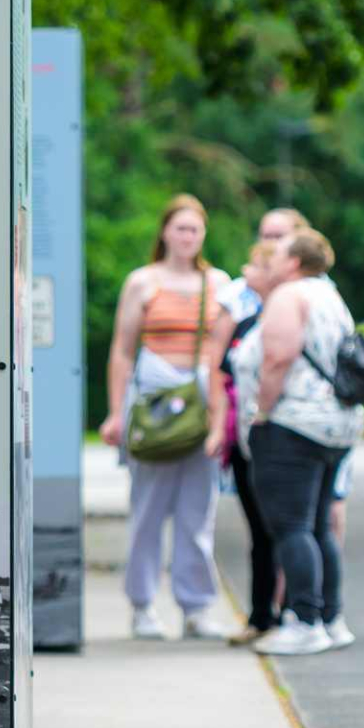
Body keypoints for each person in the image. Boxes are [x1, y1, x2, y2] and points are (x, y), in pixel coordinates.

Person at [99, 194, 235, 642]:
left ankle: (196, 608)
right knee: (147, 512)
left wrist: (223, 421)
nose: (188, 237)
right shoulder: (143, 282)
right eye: (180, 228)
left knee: (198, 515)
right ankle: (141, 606)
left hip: (201, 407)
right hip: (154, 405)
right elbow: (121, 351)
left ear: (204, 235)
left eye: (195, 229)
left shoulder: (219, 283)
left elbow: (225, 354)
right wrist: (116, 413)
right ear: (165, 232)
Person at [233, 228, 364, 656]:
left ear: (293, 262)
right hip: (335, 424)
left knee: (290, 526)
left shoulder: (289, 296)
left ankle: (304, 620)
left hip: (294, 424)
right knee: (319, 524)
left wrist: (263, 412)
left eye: (279, 254)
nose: (271, 260)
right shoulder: (330, 295)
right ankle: (331, 617)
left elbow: (277, 357)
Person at [213, 239, 284, 643]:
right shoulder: (246, 322)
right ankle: (262, 616)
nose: (245, 271)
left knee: (285, 528)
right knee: (259, 531)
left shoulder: (284, 318)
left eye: (254, 266)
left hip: (275, 438)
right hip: (245, 441)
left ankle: (294, 612)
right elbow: (224, 375)